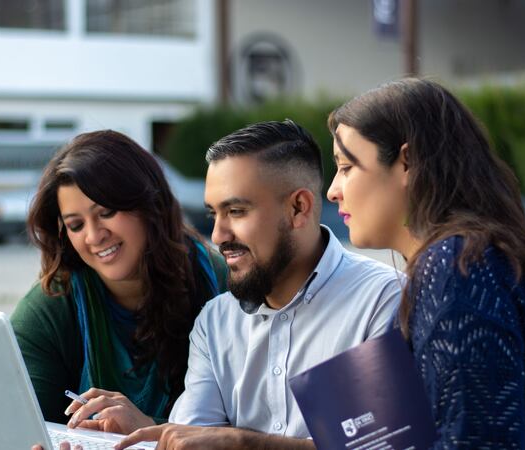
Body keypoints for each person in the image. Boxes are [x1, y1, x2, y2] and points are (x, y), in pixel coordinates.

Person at [325, 78, 525, 448]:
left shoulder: (457, 267)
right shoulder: (487, 256)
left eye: (346, 167)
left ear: (407, 162)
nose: (332, 189)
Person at [114, 119, 402, 449]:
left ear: (298, 208)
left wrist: (242, 443)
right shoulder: (216, 322)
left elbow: (382, 444)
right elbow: (193, 441)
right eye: (214, 215)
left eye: (236, 211)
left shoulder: (382, 300)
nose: (219, 236)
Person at [11, 130, 227, 432]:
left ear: (149, 203)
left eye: (107, 212)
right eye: (75, 225)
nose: (94, 236)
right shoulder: (50, 307)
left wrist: (149, 429)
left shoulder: (219, 284)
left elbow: (253, 427)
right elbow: (26, 428)